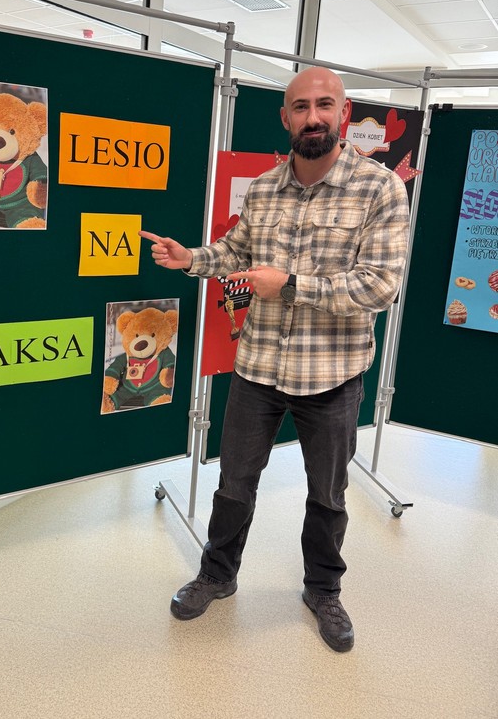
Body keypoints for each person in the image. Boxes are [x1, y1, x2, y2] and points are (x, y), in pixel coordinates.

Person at [139, 66, 409, 652]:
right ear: (285, 117)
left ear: (343, 113)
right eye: (301, 107)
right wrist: (192, 259)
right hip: (258, 369)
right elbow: (237, 252)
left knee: (327, 496)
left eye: (324, 105)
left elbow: (379, 287)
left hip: (333, 375)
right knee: (233, 485)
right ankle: (217, 575)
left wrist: (288, 285)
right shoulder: (263, 189)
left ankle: (323, 591)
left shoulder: (381, 189)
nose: (313, 117)